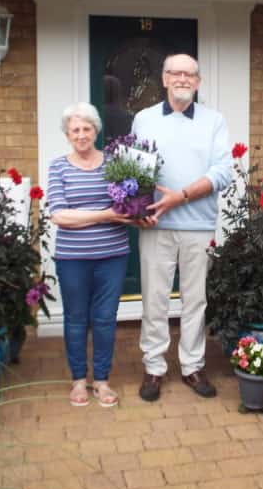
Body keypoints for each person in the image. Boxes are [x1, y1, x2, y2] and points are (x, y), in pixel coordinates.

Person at [131, 53, 232, 402]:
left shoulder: (214, 121)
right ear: (164, 79)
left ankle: (192, 366)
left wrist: (182, 196)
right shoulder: (143, 119)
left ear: (198, 82)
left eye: (189, 74)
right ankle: (154, 367)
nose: (182, 79)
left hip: (198, 224)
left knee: (195, 301)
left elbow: (223, 172)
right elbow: (133, 171)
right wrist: (137, 207)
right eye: (175, 72)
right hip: (155, 225)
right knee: (154, 300)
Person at [47, 102, 132, 408]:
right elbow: (59, 215)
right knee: (76, 319)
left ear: (96, 130)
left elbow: (128, 207)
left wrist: (112, 214)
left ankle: (102, 380)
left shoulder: (116, 164)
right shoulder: (58, 166)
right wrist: (106, 214)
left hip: (113, 256)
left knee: (106, 319)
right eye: (75, 130)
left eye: (86, 128)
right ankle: (78, 380)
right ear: (67, 135)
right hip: (73, 259)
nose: (81, 135)